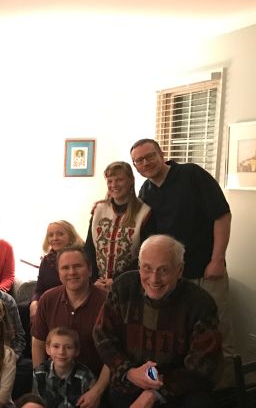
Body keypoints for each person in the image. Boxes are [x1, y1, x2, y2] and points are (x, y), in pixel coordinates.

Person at [93, 235, 223, 408]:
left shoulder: (200, 303)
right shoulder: (123, 286)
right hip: (131, 383)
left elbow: (203, 366)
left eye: (164, 270)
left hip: (180, 390)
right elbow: (103, 336)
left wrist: (155, 393)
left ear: (179, 270)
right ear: (139, 266)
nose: (154, 279)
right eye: (147, 268)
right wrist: (129, 372)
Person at [131, 138, 233, 359]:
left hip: (207, 272)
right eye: (139, 160)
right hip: (173, 279)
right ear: (136, 167)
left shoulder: (191, 175)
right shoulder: (146, 192)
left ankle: (226, 381)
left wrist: (217, 259)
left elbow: (222, 216)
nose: (146, 163)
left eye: (150, 156)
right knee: (183, 337)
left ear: (161, 154)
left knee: (218, 335)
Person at [30, 247, 110, 408]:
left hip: (94, 386)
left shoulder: (107, 302)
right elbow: (38, 343)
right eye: (65, 268)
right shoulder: (48, 299)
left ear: (90, 270)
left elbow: (115, 355)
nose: (72, 272)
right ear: (59, 273)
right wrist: (42, 381)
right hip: (54, 384)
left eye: (77, 266)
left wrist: (97, 391)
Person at [84, 161, 153, 291]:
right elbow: (89, 248)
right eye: (110, 181)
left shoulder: (144, 212)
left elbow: (145, 256)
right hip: (98, 285)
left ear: (131, 180)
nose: (114, 185)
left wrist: (117, 280)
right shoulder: (99, 210)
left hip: (130, 285)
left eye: (119, 180)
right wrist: (93, 280)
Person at [30, 220, 84, 319]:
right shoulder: (46, 261)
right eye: (51, 235)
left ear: (71, 236)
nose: (55, 238)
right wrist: (34, 303)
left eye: (60, 234)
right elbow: (39, 290)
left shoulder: (81, 257)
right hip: (50, 305)